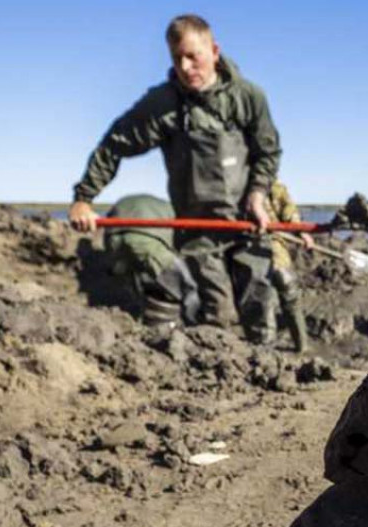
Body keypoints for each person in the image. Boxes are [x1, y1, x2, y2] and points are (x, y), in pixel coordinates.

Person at [68, 14, 281, 341]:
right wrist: (84, 198)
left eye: (192, 56)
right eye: (176, 58)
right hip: (198, 227)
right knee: (216, 312)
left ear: (214, 51)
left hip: (246, 221)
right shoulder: (163, 104)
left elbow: (268, 152)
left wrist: (257, 194)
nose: (184, 66)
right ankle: (215, 374)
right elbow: (114, 145)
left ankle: (269, 376)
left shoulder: (248, 97)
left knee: (259, 300)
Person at [103, 194, 197, 327]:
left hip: (113, 240)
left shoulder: (153, 205)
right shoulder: (176, 210)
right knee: (188, 286)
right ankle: (195, 325)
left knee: (135, 283)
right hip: (146, 240)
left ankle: (140, 319)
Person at [263, 181, 313, 351]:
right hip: (248, 248)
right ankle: (266, 351)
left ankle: (301, 346)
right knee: (263, 299)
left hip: (275, 247)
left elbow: (288, 210)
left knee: (289, 292)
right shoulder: (237, 181)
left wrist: (302, 231)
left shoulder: (273, 185)